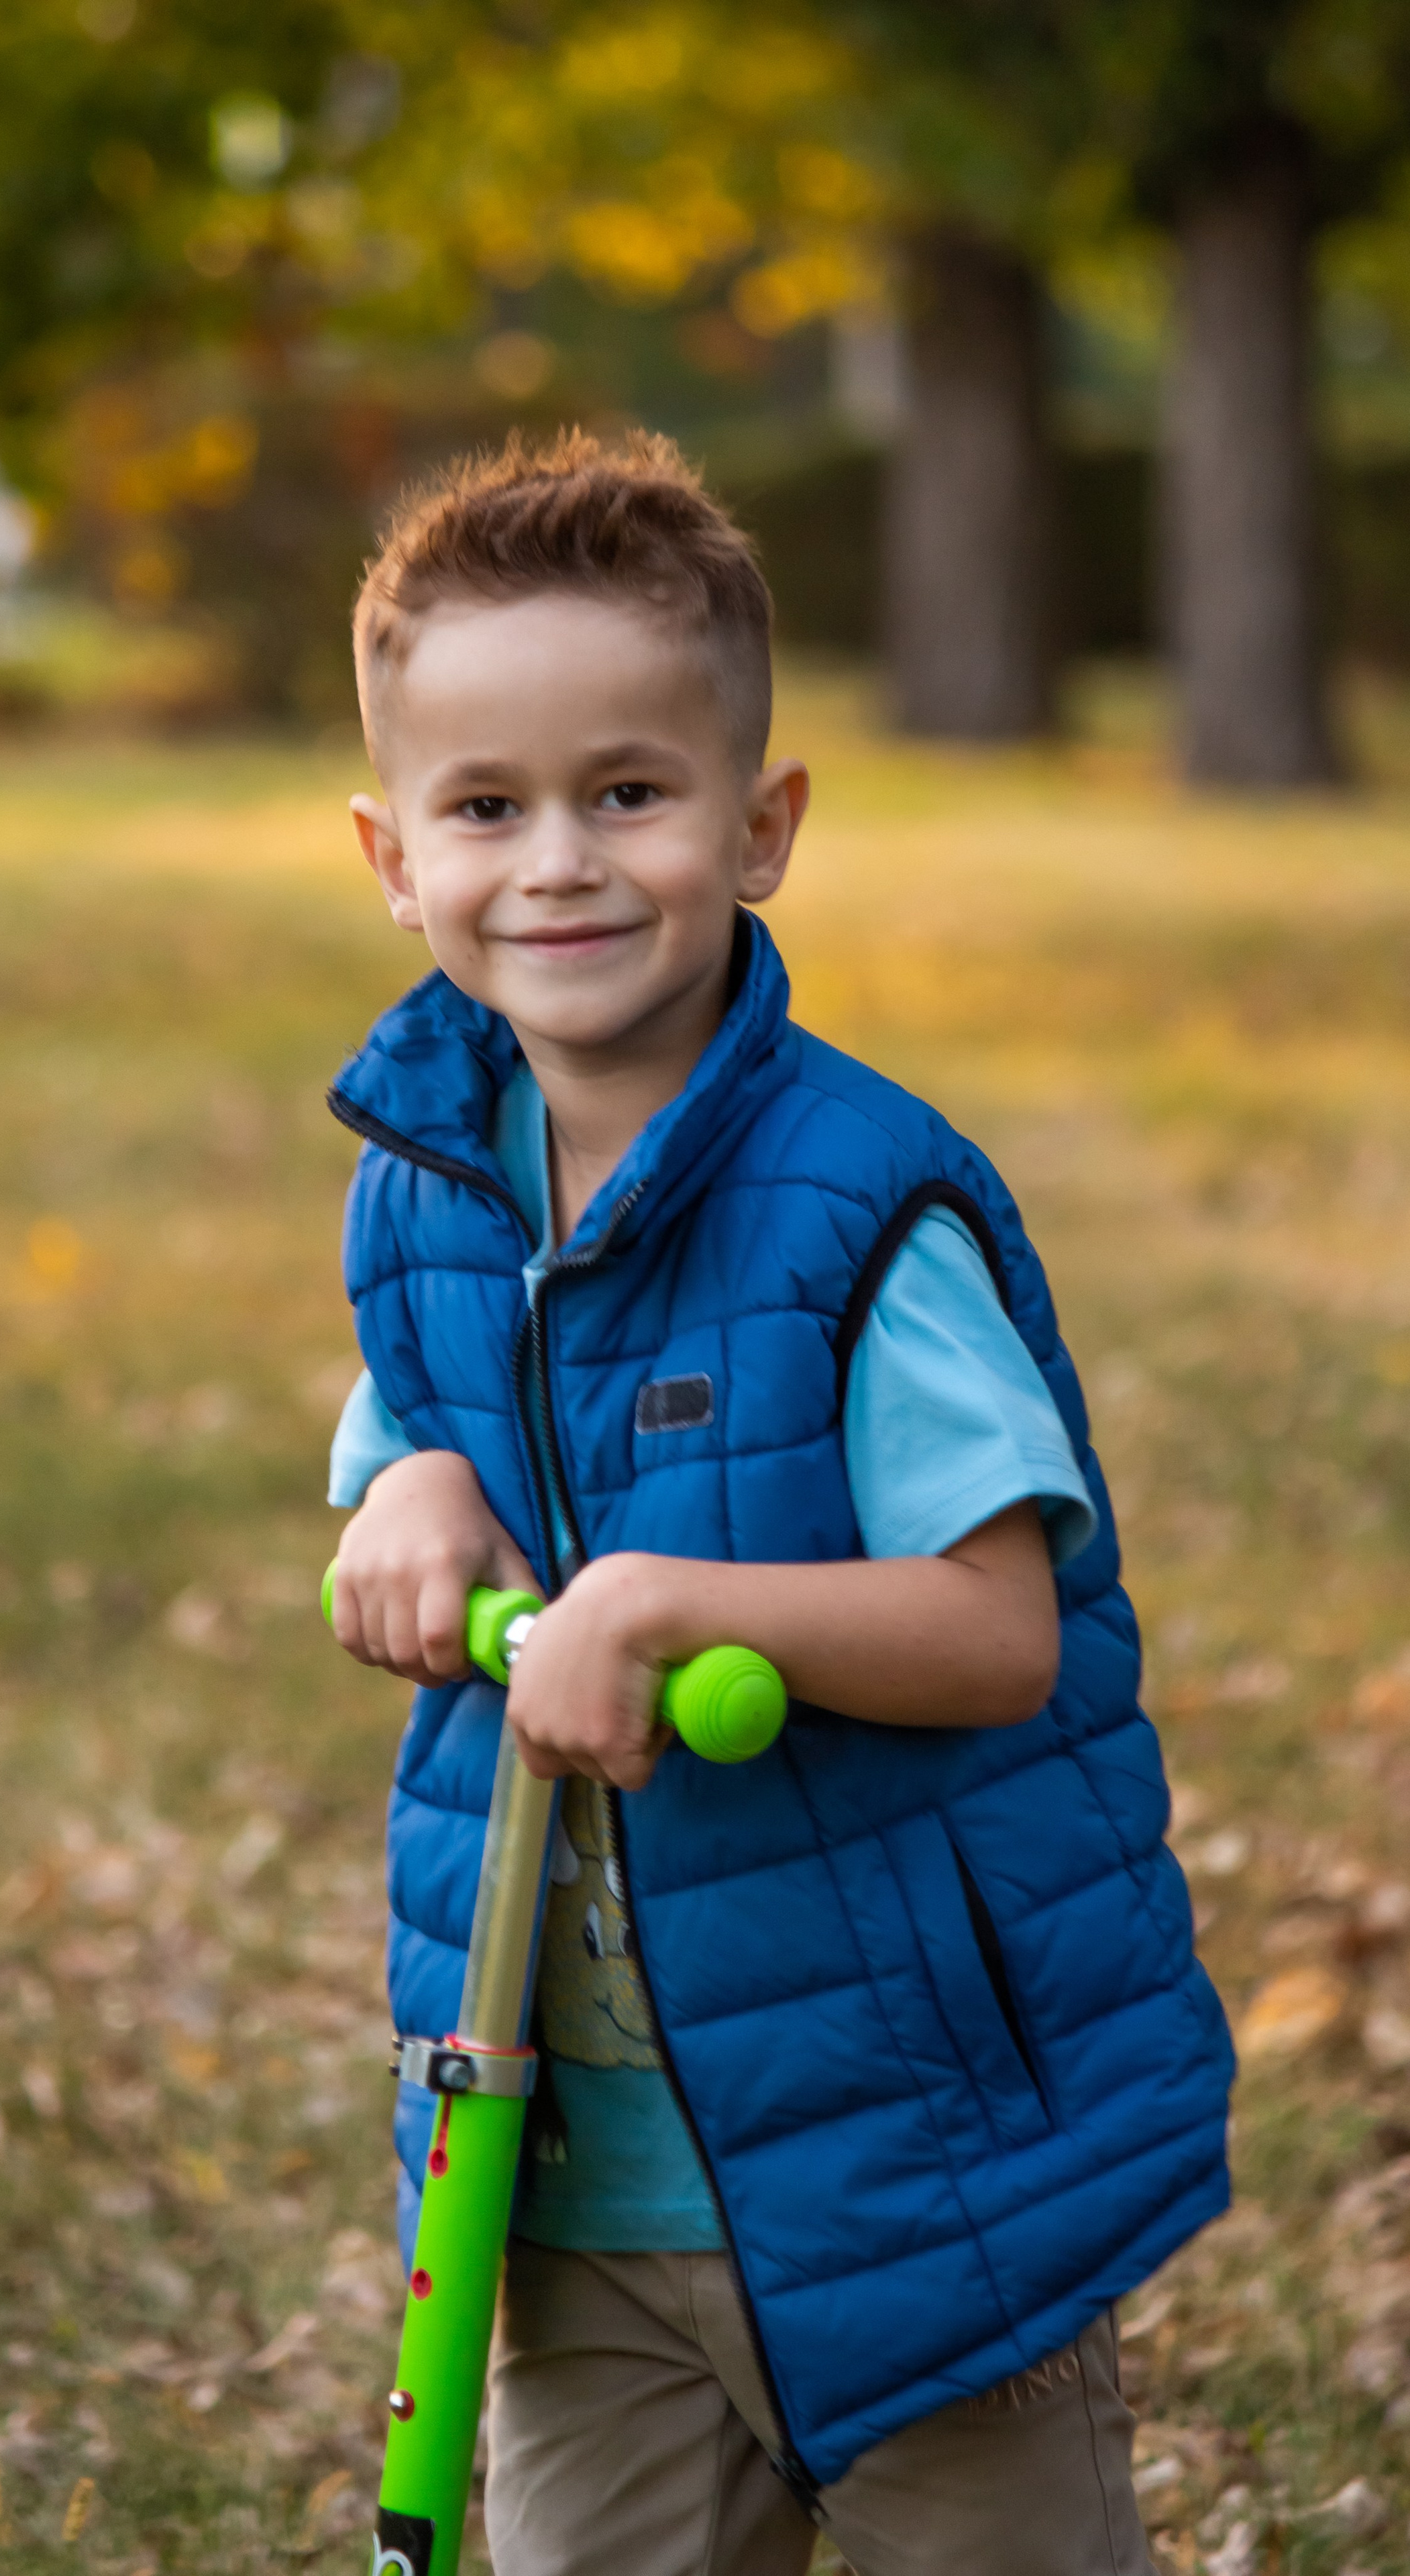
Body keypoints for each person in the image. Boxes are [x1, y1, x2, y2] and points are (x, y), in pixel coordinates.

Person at [323, 428, 1232, 2576]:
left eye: (627, 792)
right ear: (389, 856)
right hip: (567, 2169)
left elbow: (999, 1628)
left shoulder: (860, 1214)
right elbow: (429, 1406)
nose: (558, 861)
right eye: (485, 809)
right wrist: (404, 1484)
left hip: (915, 2164)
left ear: (763, 826)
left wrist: (668, 1599)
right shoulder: (425, 1175)